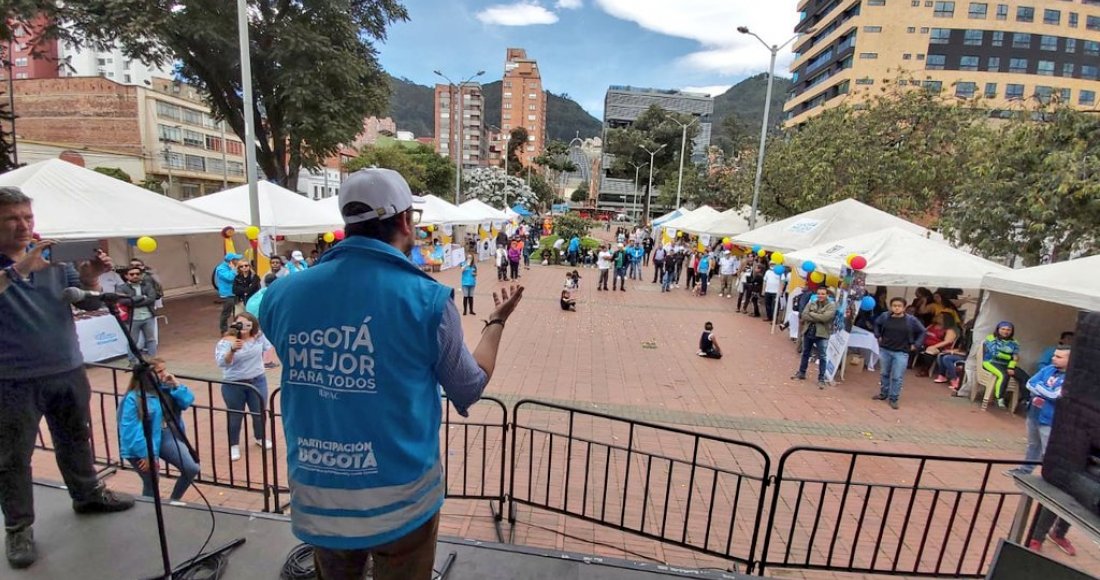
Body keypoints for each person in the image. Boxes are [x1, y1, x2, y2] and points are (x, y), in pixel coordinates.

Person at [259, 168, 524, 580]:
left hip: (317, 498)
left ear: (348, 223)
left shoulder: (281, 295)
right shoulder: (426, 300)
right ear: (405, 221)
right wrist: (495, 323)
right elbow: (469, 387)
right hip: (402, 502)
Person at [0, 186, 135, 570]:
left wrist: (91, 279)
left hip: (67, 368)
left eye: (27, 217)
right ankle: (19, 528)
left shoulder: (56, 260)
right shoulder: (29, 262)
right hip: (11, 379)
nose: (24, 225)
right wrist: (23, 266)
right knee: (12, 457)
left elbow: (85, 301)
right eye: (12, 218)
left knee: (76, 439)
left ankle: (88, 494)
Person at [1015, 346, 1076, 556]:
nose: (1054, 358)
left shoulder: (1073, 378)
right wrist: (1040, 389)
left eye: (1059, 356)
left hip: (1051, 420)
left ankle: (1057, 532)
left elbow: (1054, 394)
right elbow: (1031, 382)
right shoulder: (1049, 369)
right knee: (1034, 446)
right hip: (1036, 414)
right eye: (1055, 355)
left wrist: (1039, 389)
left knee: (1068, 491)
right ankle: (1037, 536)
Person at [117, 358, 200, 504]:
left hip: (166, 434)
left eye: (165, 369)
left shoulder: (166, 388)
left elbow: (187, 401)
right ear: (148, 375)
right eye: (160, 371)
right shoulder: (133, 398)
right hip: (142, 442)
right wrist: (146, 454)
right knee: (152, 480)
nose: (165, 374)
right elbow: (130, 430)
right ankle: (148, 508)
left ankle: (173, 501)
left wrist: (176, 385)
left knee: (191, 468)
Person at [214, 312, 273, 462]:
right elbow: (222, 362)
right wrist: (232, 350)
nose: (244, 327)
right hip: (234, 384)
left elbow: (268, 347)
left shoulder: (258, 337)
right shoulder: (226, 342)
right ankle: (233, 445)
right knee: (235, 415)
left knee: (259, 412)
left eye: (247, 324)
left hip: (257, 380)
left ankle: (260, 437)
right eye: (240, 323)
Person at [872, 297, 927, 410]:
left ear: (904, 307)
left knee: (897, 376)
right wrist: (878, 335)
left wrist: (916, 344)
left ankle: (894, 398)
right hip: (885, 349)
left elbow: (923, 331)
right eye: (894, 305)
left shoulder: (911, 320)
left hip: (901, 352)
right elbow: (876, 324)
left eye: (899, 306)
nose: (896, 308)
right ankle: (883, 393)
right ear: (891, 307)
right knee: (884, 373)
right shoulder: (885, 316)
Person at [115, 265, 161, 363]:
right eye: (132, 274)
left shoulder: (147, 285)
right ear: (126, 276)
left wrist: (134, 302)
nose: (135, 276)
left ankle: (152, 360)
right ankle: (133, 362)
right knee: (133, 341)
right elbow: (123, 301)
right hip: (132, 319)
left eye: (138, 274)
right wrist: (141, 297)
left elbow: (151, 299)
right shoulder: (121, 288)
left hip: (148, 317)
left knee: (151, 339)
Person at [793, 286, 836, 388]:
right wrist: (817, 316)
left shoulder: (831, 305)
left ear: (827, 295)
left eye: (823, 294)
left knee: (822, 356)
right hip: (809, 331)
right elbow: (804, 315)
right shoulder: (812, 302)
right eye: (819, 293)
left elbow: (825, 318)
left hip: (822, 334)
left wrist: (812, 314)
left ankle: (821, 379)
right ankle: (801, 372)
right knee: (805, 353)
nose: (820, 296)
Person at [981, 321, 1030, 409]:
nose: (1005, 331)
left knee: (1024, 376)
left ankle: (1026, 399)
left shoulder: (1014, 343)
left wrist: (1011, 366)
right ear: (998, 329)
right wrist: (1011, 357)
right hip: (991, 362)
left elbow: (1015, 357)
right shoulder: (991, 338)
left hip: (1007, 364)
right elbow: (995, 353)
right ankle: (999, 398)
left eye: (1008, 330)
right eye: (1003, 329)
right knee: (1003, 375)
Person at [214, 252, 242, 334]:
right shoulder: (221, 269)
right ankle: (224, 330)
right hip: (227, 294)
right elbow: (229, 278)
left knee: (237, 312)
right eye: (236, 259)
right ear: (232, 260)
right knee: (226, 313)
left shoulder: (233, 267)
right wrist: (234, 269)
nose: (238, 261)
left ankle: (237, 329)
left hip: (235, 293)